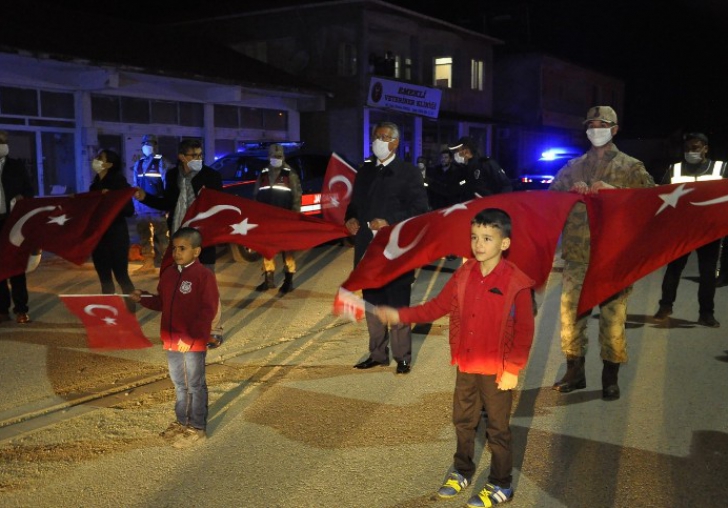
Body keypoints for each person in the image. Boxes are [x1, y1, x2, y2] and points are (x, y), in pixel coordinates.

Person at [375, 208, 535, 508]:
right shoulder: (464, 274)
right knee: (463, 421)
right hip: (466, 365)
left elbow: (525, 330)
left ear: (504, 243)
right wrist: (400, 314)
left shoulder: (517, 282)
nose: (479, 244)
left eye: (487, 238)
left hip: (497, 371)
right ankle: (462, 470)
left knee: (497, 428)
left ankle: (502, 484)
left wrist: (512, 369)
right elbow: (435, 307)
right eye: (475, 237)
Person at [549, 105, 655, 401]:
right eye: (591, 125)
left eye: (602, 125)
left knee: (612, 319)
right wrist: (569, 193)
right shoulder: (572, 167)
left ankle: (610, 376)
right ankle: (575, 370)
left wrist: (615, 191)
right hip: (577, 255)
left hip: (613, 255)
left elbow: (651, 203)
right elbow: (550, 200)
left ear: (614, 129)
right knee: (572, 315)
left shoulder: (631, 167)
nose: (596, 130)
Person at [345, 121, 429, 374]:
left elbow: (419, 210)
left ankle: (402, 357)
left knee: (397, 303)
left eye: (383, 137)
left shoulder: (408, 172)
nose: (377, 141)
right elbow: (355, 203)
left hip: (395, 250)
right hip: (368, 250)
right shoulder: (366, 170)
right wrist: (350, 218)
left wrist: (389, 221)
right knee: (372, 303)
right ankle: (377, 354)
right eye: (375, 136)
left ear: (394, 142)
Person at [130, 227, 220, 448]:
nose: (177, 252)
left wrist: (189, 339)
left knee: (195, 385)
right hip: (171, 341)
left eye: (183, 248)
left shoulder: (203, 276)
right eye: (174, 248)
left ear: (196, 251)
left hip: (192, 342)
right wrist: (143, 297)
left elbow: (207, 311)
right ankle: (182, 422)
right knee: (179, 384)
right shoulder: (169, 274)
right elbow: (162, 302)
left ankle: (197, 427)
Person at [134, 138, 224, 349]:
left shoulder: (211, 176)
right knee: (181, 284)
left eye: (201, 155)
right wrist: (144, 196)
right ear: (182, 157)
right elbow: (167, 203)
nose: (199, 159)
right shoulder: (172, 175)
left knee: (208, 286)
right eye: (194, 156)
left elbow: (219, 207)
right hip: (179, 239)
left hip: (203, 240)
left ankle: (214, 331)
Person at [653, 132, 726, 327]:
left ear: (705, 148)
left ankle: (706, 313)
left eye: (695, 148)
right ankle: (665, 306)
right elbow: (660, 194)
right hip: (681, 231)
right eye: (687, 148)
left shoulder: (721, 168)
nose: (690, 152)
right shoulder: (674, 169)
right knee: (673, 270)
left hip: (709, 231)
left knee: (708, 274)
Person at [253, 143, 302, 295]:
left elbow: (297, 197)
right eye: (274, 156)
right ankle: (269, 279)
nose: (277, 159)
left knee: (287, 251)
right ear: (269, 157)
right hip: (267, 220)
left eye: (279, 156)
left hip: (285, 220)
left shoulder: (290, 174)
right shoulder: (263, 173)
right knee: (267, 250)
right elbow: (256, 194)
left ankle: (288, 281)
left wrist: (294, 217)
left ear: (284, 156)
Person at [89, 149, 136, 304]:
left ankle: (130, 312)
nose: (95, 160)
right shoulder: (95, 185)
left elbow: (129, 210)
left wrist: (111, 198)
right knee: (104, 279)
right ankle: (110, 314)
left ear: (108, 164)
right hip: (98, 238)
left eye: (99, 158)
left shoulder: (119, 184)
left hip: (116, 236)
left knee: (121, 276)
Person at [0, 130, 34, 324]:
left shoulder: (16, 166)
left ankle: (21, 309)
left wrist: (23, 198)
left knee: (15, 266)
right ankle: (2, 309)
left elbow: (29, 190)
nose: (2, 145)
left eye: (4, 141)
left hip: (12, 222)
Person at [133, 134, 168, 273]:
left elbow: (166, 185)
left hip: (157, 207)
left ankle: (165, 264)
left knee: (161, 236)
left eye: (150, 143)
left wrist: (166, 205)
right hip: (142, 208)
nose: (147, 146)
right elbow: (135, 186)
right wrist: (135, 206)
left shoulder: (161, 162)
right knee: (144, 236)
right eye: (145, 143)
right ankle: (148, 262)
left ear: (156, 145)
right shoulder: (138, 164)